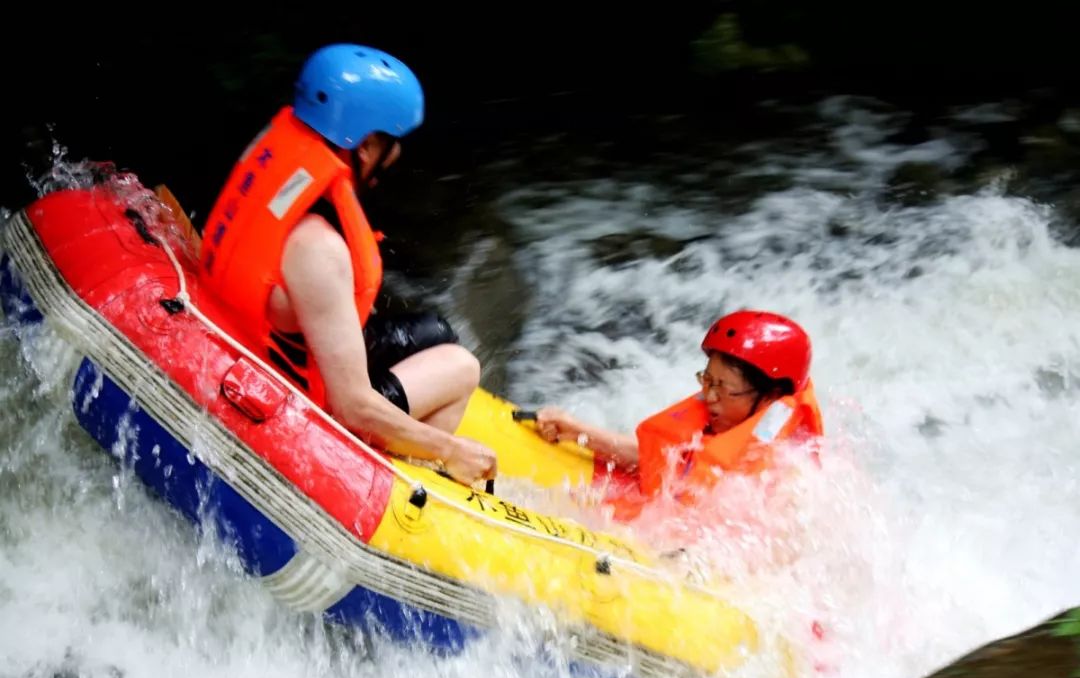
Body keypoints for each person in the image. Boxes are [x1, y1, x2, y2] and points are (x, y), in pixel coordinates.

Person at [196, 43, 496, 485]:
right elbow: (351, 407)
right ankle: (407, 484)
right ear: (368, 142)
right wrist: (451, 451)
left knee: (436, 331)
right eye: (392, 143)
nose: (395, 156)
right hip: (293, 384)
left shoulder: (281, 155)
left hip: (249, 325)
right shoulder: (319, 247)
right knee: (461, 366)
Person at [534, 310, 824, 519]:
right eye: (707, 380)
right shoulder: (725, 418)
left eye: (724, 388)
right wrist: (580, 433)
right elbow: (672, 461)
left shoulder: (789, 475)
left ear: (770, 397)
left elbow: (756, 554)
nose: (709, 397)